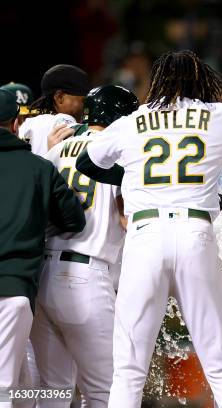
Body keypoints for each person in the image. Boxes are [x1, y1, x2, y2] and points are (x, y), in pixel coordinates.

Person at [76, 38, 222, 408]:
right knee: (220, 366)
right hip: (195, 234)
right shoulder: (216, 115)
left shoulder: (132, 122)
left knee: (128, 371)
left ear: (157, 81)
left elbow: (87, 163)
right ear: (198, 81)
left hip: (145, 236)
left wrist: (134, 183)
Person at [29, 85, 138, 408]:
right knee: (108, 391)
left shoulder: (55, 147)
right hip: (85, 276)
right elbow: (126, 220)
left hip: (41, 276)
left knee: (54, 391)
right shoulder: (117, 152)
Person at [0, 89, 85, 406]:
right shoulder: (39, 168)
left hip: (17, 294)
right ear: (15, 124)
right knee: (9, 390)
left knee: (22, 390)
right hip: (15, 293)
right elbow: (74, 221)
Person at [19, 64, 90, 156]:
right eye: (83, 100)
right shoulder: (65, 123)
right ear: (59, 97)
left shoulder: (26, 125)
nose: (86, 106)